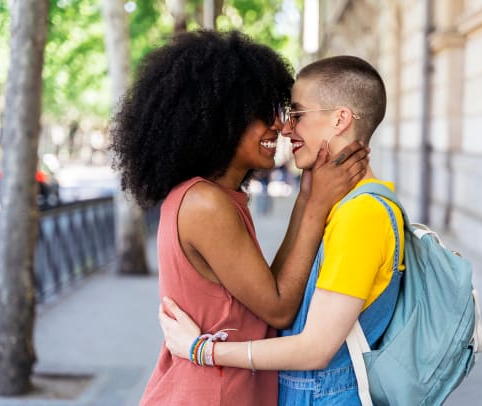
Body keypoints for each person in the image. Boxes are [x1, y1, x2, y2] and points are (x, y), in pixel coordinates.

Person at [109, 31, 369, 406]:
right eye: (264, 114)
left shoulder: (215, 198)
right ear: (221, 118)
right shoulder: (204, 205)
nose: (280, 127)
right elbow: (279, 308)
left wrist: (309, 197)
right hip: (211, 394)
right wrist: (316, 207)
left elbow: (269, 288)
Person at [160, 55, 405, 405]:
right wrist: (310, 200)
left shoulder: (360, 214)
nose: (285, 127)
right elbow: (276, 299)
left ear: (340, 119)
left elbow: (312, 347)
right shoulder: (207, 202)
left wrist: (202, 350)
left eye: (297, 114)